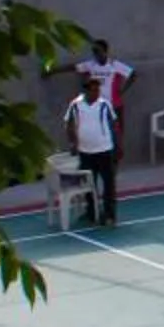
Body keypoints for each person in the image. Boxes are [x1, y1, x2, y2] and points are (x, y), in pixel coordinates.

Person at [62, 74, 123, 226]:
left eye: (98, 90)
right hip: (85, 151)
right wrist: (73, 143)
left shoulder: (104, 104)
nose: (96, 93)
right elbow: (69, 123)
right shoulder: (75, 105)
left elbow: (114, 125)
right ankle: (91, 212)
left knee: (109, 184)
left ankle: (109, 214)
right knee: (89, 184)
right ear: (86, 91)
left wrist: (118, 145)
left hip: (104, 149)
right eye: (93, 90)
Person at [74, 39, 137, 127]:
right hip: (96, 105)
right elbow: (73, 67)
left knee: (116, 130)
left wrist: (122, 90)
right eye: (94, 51)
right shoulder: (90, 65)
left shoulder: (114, 65)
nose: (96, 54)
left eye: (98, 51)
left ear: (105, 51)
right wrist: (52, 71)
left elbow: (133, 75)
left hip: (114, 104)